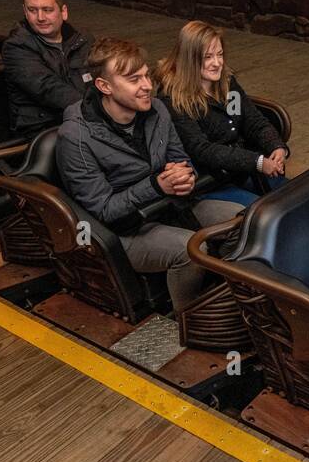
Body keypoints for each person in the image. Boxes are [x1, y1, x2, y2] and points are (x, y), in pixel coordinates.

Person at [56, 38, 242, 310]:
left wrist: (185, 175)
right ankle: (189, 318)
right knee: (190, 250)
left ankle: (231, 296)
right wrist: (156, 186)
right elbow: (104, 210)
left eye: (145, 75)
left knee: (243, 220)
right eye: (134, 79)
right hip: (126, 230)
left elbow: (180, 158)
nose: (147, 86)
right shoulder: (75, 137)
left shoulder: (157, 110)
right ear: (104, 86)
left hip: (173, 206)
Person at [154, 20, 289, 207]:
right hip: (209, 182)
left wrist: (276, 146)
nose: (217, 63)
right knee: (262, 215)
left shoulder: (226, 82)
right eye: (208, 57)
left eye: (220, 54)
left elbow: (254, 121)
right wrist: (256, 162)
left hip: (241, 170)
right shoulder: (172, 99)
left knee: (292, 196)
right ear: (190, 59)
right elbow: (202, 150)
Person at [2, 0, 91, 134]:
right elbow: (48, 89)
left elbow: (104, 76)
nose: (41, 17)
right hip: (43, 128)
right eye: (32, 10)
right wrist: (99, 110)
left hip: (81, 118)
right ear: (25, 11)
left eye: (47, 9)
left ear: (63, 12)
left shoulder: (83, 40)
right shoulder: (16, 47)